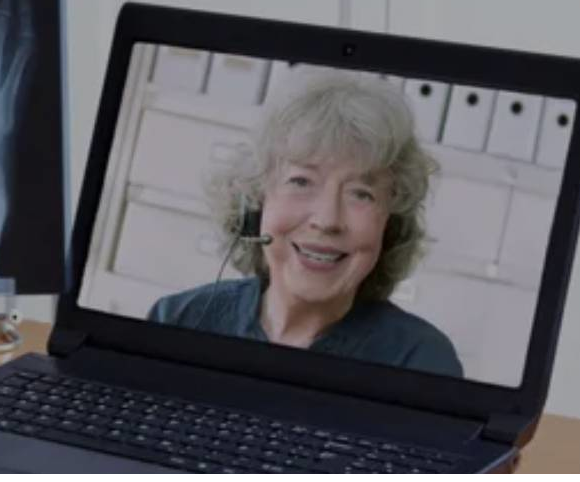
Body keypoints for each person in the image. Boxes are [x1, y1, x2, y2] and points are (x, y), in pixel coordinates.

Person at [148, 70, 463, 378]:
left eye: (361, 194)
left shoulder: (421, 361)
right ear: (255, 202)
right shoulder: (178, 318)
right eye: (301, 181)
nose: (327, 220)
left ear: (389, 224)